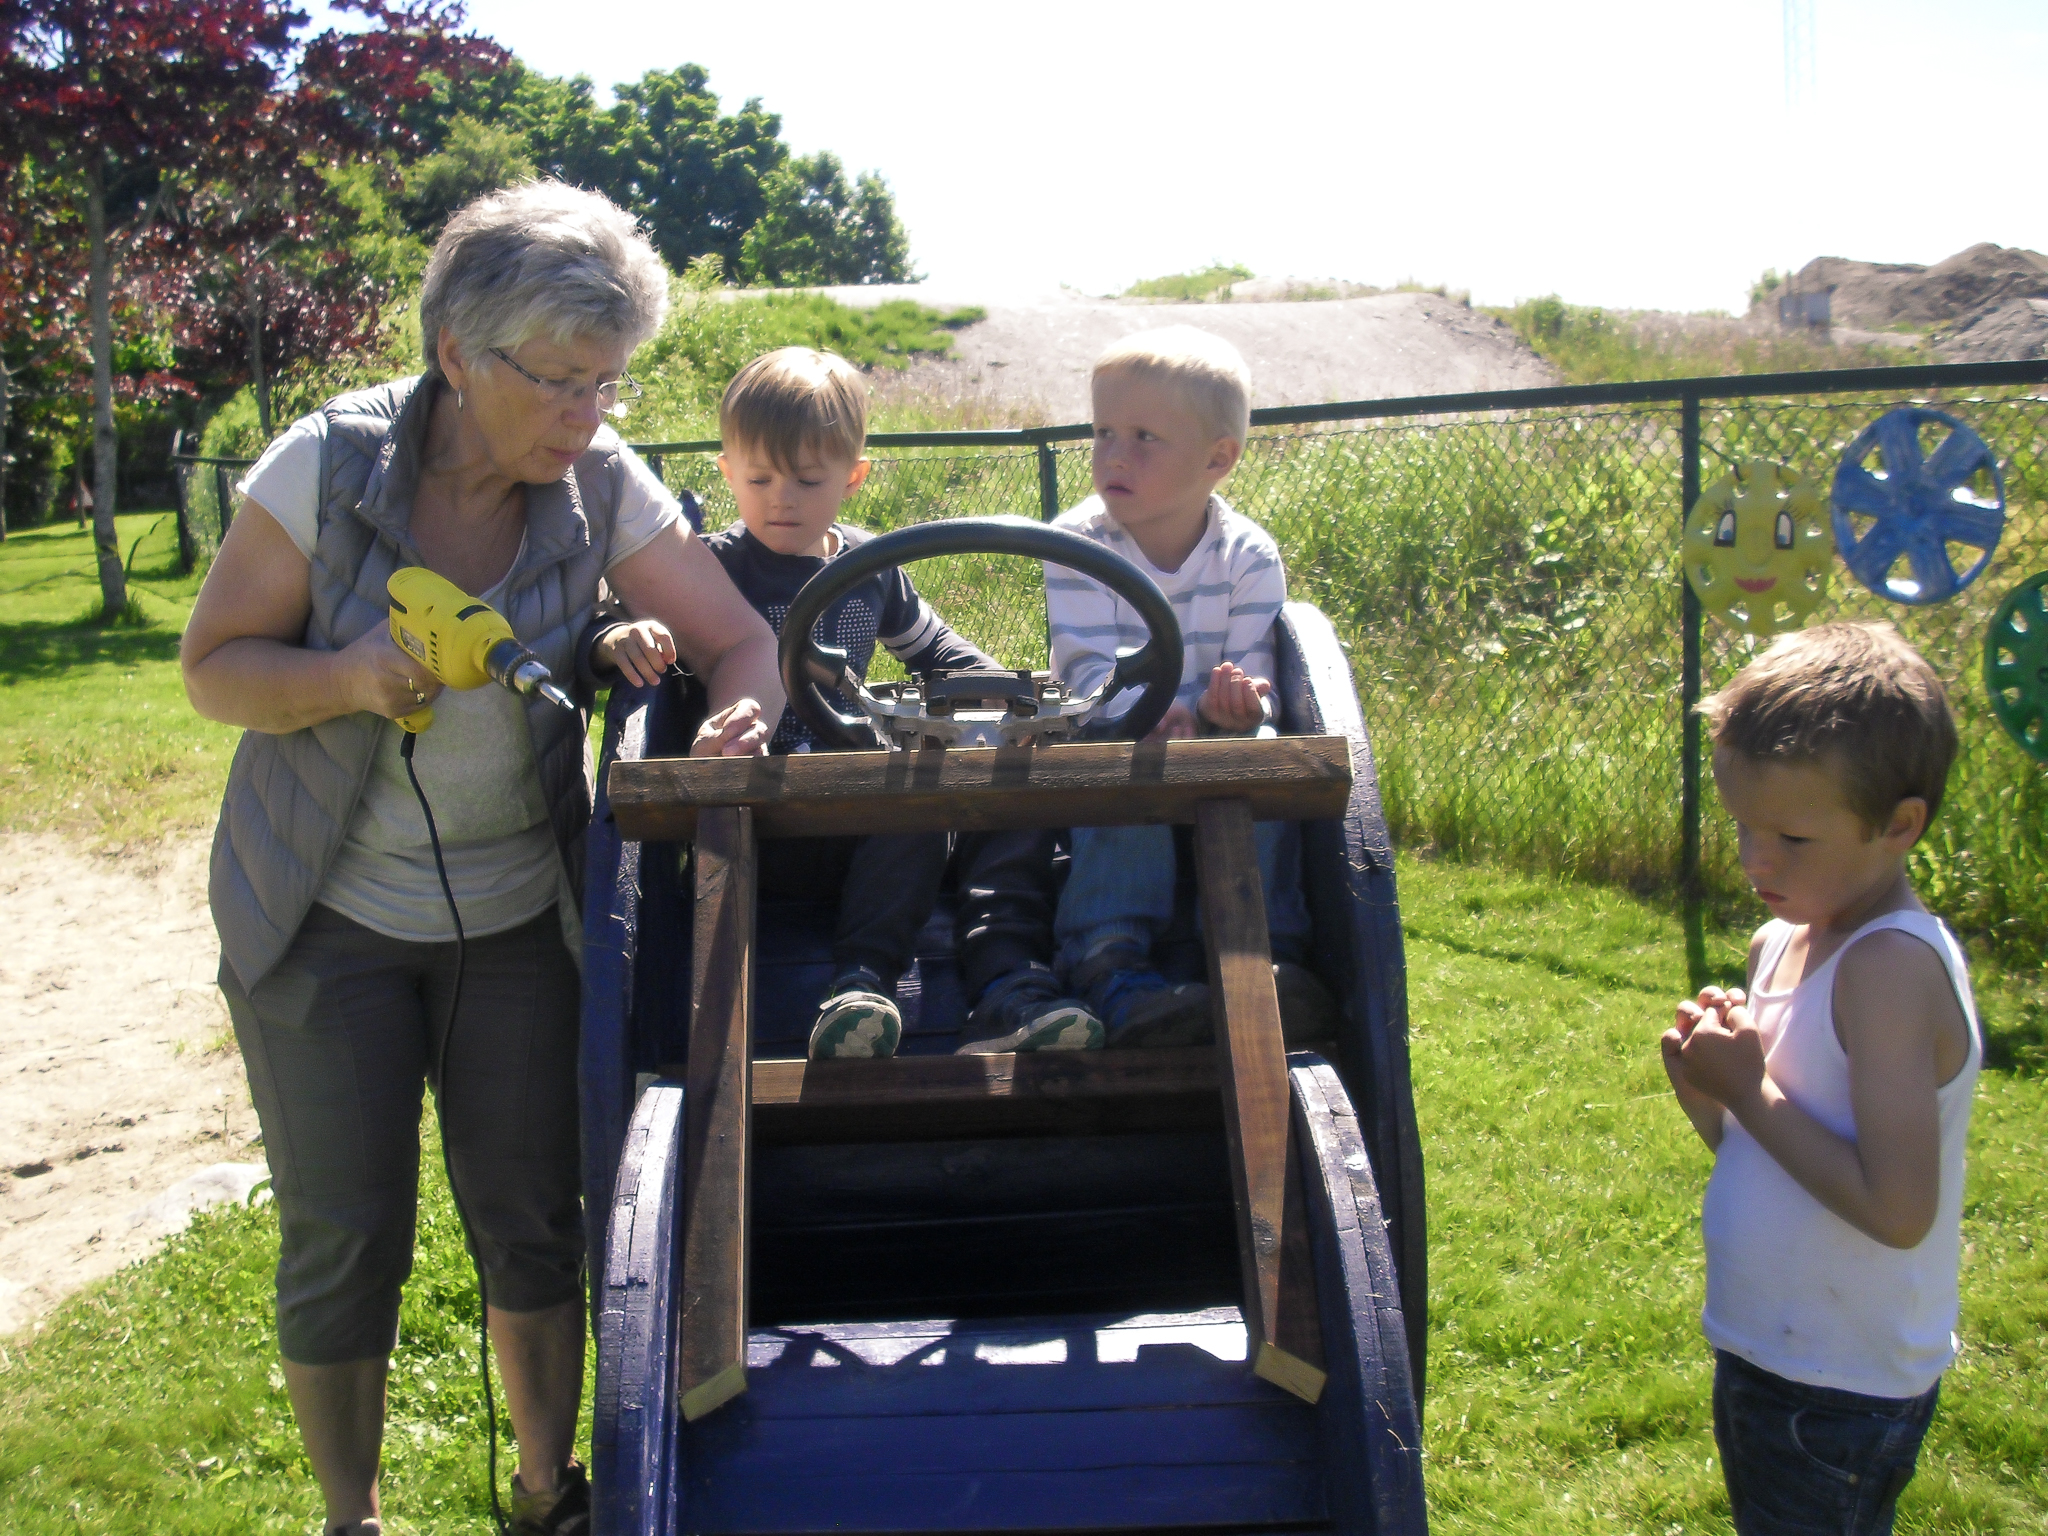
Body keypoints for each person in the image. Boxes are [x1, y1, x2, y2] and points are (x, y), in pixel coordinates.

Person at [180, 181, 782, 1536]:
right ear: (457, 354)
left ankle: (541, 1493)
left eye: (610, 383)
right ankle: (354, 1518)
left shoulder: (601, 483)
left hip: (516, 914)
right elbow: (214, 671)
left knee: (533, 1221)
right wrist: (343, 675)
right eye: (560, 383)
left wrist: (752, 706)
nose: (588, 418)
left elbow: (740, 636)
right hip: (321, 915)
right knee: (347, 1240)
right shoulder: (324, 469)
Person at [671, 345, 1101, 1057]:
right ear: (727, 474)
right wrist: (631, 635)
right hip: (756, 818)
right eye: (759, 477)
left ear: (853, 477)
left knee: (959, 789)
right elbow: (635, 622)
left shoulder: (869, 570)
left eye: (808, 480)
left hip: (853, 807)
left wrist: (1026, 701)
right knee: (912, 798)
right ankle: (856, 980)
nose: (782, 498)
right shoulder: (712, 567)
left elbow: (943, 653)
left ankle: (897, 986)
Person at [1661, 621, 1980, 1536]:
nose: (1755, 861)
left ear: (1898, 825)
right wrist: (1708, 1084)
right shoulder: (1783, 940)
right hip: (1770, 1350)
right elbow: (1760, 1151)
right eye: (1741, 827)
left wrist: (1748, 1090)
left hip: (1840, 1385)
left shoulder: (1889, 971)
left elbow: (1895, 1208)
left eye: (1792, 837)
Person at [1044, 326, 1329, 1045]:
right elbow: (1083, 671)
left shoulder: (1246, 555)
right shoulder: (1078, 542)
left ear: (1217, 459)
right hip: (1118, 727)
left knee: (1261, 747)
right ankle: (1110, 958)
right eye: (1103, 431)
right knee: (1116, 750)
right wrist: (1145, 709)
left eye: (1144, 436)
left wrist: (1233, 701)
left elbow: (1254, 669)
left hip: (1210, 735)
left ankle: (1261, 953)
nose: (1114, 453)